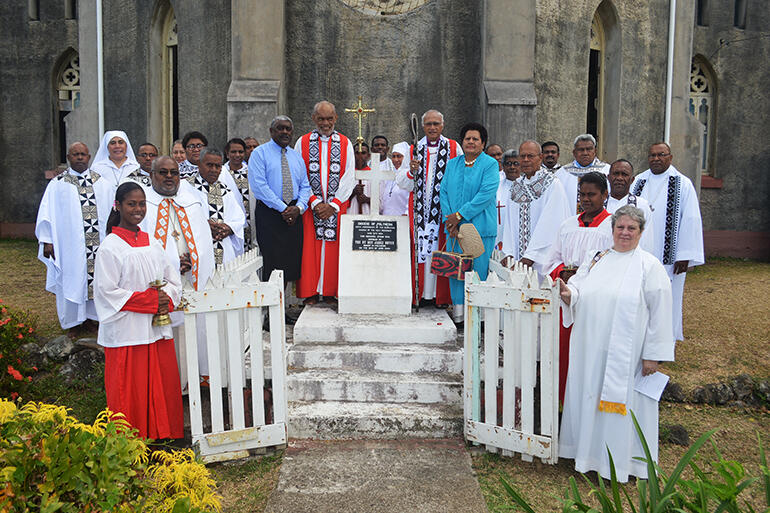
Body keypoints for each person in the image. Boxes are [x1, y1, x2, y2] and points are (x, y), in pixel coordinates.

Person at [557, 205, 674, 482]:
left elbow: (660, 313)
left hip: (627, 352)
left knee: (622, 404)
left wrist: (652, 355)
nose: (625, 233)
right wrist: (568, 293)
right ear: (611, 230)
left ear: (641, 232)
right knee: (590, 396)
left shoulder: (649, 266)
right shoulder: (597, 257)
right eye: (620, 227)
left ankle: (621, 463)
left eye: (631, 228)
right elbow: (579, 287)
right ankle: (588, 455)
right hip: (590, 346)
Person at [94, 181, 184, 440]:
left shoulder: (152, 242)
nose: (138, 209)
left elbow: (172, 277)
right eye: (131, 204)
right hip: (127, 331)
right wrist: (152, 302)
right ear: (118, 206)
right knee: (129, 390)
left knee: (160, 384)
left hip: (156, 328)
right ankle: (128, 444)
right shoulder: (110, 246)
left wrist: (168, 297)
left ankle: (161, 435)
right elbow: (106, 292)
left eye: (142, 204)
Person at [546, 171, 614, 403]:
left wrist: (587, 276)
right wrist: (562, 272)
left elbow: (615, 262)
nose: (586, 199)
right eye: (582, 194)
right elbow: (552, 259)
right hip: (567, 298)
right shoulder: (567, 225)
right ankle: (564, 402)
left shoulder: (612, 226)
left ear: (605, 195)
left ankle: (589, 401)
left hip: (595, 299)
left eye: (592, 194)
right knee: (565, 351)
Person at [35, 142, 112, 333]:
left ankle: (92, 319)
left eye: (83, 154)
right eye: (75, 154)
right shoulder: (58, 184)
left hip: (98, 244)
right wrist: (47, 240)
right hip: (70, 246)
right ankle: (74, 323)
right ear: (68, 158)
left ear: (89, 157)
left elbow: (112, 212)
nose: (79, 157)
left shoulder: (102, 183)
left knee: (98, 279)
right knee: (72, 278)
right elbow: (46, 213)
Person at [632, 142, 704, 342]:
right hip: (642, 251)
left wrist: (685, 255)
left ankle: (666, 340)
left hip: (670, 256)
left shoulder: (682, 183)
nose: (656, 158)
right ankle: (641, 336)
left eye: (661, 154)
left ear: (670, 157)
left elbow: (691, 219)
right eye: (652, 155)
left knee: (668, 297)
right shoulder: (639, 181)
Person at [396, 109, 463, 307]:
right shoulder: (413, 149)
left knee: (440, 249)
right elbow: (401, 181)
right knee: (420, 251)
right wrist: (411, 172)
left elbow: (460, 178)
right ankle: (421, 295)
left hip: (443, 211)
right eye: (428, 124)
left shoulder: (453, 147)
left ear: (442, 126)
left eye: (436, 124)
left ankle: (439, 297)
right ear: (422, 127)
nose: (432, 128)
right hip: (419, 211)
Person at [294, 100, 355, 303]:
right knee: (309, 250)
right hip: (311, 207)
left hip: (336, 208)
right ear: (314, 119)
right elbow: (299, 176)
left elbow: (349, 177)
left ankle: (330, 291)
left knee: (334, 250)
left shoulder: (345, 143)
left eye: (329, 118)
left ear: (336, 118)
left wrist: (334, 205)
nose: (325, 123)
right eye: (321, 118)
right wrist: (314, 202)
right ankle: (310, 292)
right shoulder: (302, 142)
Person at [440, 123, 498, 322]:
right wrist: (450, 220)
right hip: (454, 230)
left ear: (483, 143)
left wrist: (459, 216)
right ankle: (459, 316)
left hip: (480, 229)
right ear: (462, 142)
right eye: (467, 139)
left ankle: (478, 320)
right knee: (456, 271)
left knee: (478, 273)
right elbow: (444, 192)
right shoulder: (452, 164)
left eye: (475, 139)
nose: (471, 142)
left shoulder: (490, 165)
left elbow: (485, 195)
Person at [140, 156, 215, 297]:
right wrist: (173, 263)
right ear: (151, 175)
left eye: (174, 173)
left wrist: (194, 259)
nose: (169, 176)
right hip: (158, 280)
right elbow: (141, 248)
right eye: (163, 172)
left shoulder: (192, 202)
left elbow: (205, 245)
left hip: (189, 276)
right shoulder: (142, 204)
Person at [249, 115, 311, 284]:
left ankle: (281, 308)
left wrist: (298, 208)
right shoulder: (259, 154)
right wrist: (283, 208)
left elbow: (305, 186)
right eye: (280, 128)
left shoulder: (297, 157)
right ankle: (268, 309)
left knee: (289, 264)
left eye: (288, 129)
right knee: (271, 263)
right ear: (271, 131)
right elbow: (259, 186)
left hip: (294, 215)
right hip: (271, 214)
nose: (285, 132)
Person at [509, 141, 571, 274]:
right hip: (516, 261)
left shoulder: (552, 184)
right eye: (522, 156)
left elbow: (551, 223)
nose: (525, 160)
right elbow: (509, 222)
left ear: (540, 157)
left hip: (542, 260)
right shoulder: (516, 186)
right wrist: (508, 252)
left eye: (530, 156)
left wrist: (530, 257)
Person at [187, 147, 245, 266]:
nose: (214, 170)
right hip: (196, 246)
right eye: (209, 165)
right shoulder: (186, 187)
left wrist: (228, 228)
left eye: (217, 166)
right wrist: (204, 225)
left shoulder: (225, 191)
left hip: (223, 247)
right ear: (199, 164)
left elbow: (238, 218)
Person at [606, 159, 655, 253]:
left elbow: (647, 242)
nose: (619, 178)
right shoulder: (599, 204)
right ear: (608, 177)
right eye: (616, 174)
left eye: (624, 174)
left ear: (632, 180)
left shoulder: (642, 205)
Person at [554, 134, 610, 214]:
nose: (585, 153)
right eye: (581, 150)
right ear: (574, 152)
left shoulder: (607, 171)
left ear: (595, 151)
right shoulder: (562, 173)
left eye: (589, 149)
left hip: (600, 222)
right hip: (570, 221)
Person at [221, 137, 256, 251]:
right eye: (233, 152)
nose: (237, 155)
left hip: (251, 219)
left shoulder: (252, 172)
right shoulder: (221, 173)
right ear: (227, 154)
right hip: (230, 222)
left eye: (240, 152)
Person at [495, 150, 519, 255]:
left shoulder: (527, 188)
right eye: (508, 164)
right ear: (503, 166)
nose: (512, 167)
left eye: (516, 163)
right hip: (498, 235)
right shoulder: (496, 187)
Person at [380, 141, 410, 216]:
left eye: (399, 156)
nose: (396, 160)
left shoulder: (410, 176)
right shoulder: (389, 175)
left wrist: (407, 213)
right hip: (387, 220)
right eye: (393, 156)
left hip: (403, 220)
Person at [349, 141, 371, 215]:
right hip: (350, 214)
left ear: (369, 156)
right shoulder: (347, 175)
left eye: (363, 153)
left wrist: (367, 200)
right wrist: (353, 192)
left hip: (368, 216)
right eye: (357, 153)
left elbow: (382, 202)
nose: (360, 156)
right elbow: (340, 199)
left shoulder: (374, 175)